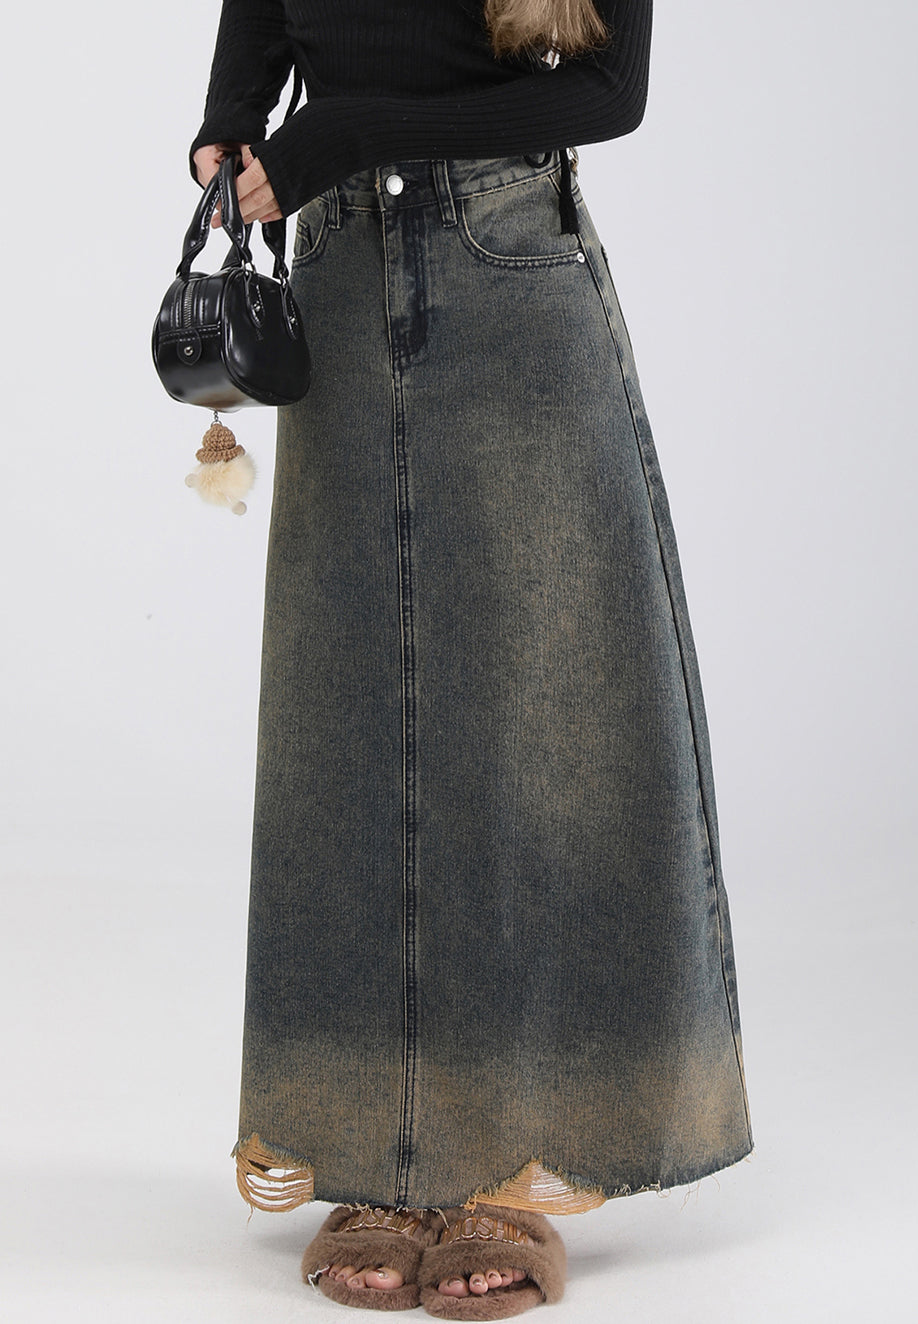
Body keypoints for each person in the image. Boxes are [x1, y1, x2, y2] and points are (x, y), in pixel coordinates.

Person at [189, 1, 752, 1315]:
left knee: (542, 718)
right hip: (336, 266)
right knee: (352, 719)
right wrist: (229, 126)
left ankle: (510, 1163)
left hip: (511, 262)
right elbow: (260, 16)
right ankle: (381, 1157)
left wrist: (346, 130)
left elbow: (609, 93)